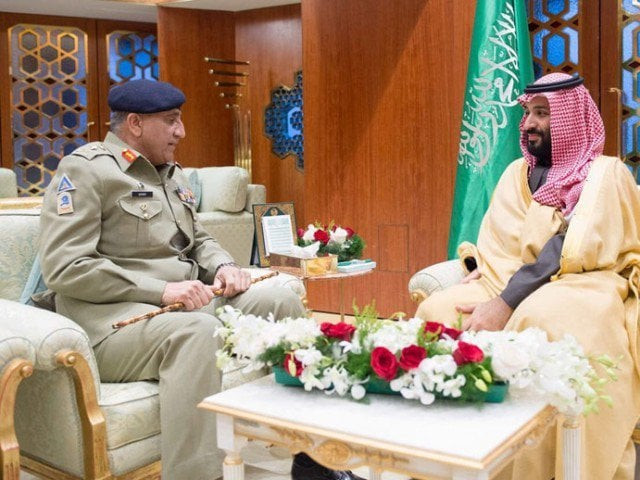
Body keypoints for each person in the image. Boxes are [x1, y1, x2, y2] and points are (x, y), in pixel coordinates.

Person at [39, 79, 361, 480]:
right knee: (197, 332)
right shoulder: (86, 170)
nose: (182, 131)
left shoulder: (171, 174)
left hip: (186, 306)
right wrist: (161, 290)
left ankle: (314, 457)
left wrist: (224, 266)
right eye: (171, 121)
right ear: (135, 123)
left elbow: (198, 239)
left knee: (280, 302)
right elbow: (65, 266)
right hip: (113, 324)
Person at [416, 72, 640, 480]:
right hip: (507, 278)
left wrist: (504, 303)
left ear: (572, 119)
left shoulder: (605, 174)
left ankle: (546, 466)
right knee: (437, 311)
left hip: (585, 280)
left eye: (542, 114)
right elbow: (502, 237)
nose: (529, 124)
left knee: (540, 319)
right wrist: (479, 266)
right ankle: (452, 456)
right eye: (528, 113)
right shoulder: (515, 172)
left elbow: (572, 247)